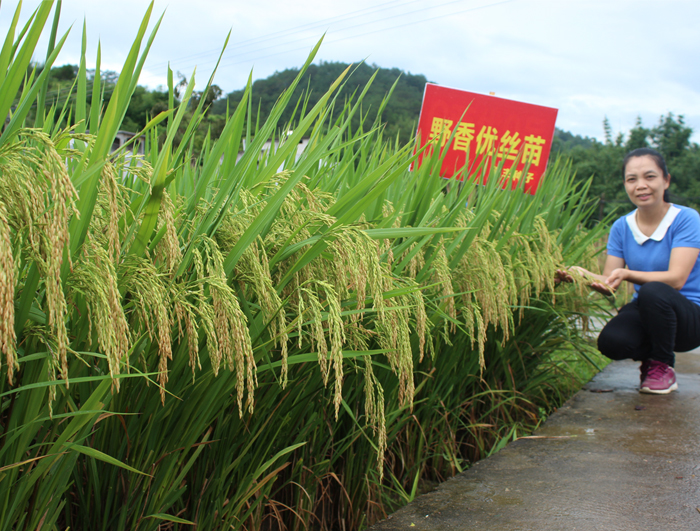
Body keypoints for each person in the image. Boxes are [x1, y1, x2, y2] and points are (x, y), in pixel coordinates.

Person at [558, 147, 700, 394]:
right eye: (632, 179)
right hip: (648, 309)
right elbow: (610, 280)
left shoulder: (686, 219)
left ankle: (662, 364)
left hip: (690, 317)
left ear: (666, 180)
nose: (641, 185)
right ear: (625, 184)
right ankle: (654, 356)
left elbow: (676, 280)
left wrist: (627, 274)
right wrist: (580, 275)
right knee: (611, 343)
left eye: (650, 176)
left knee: (654, 290)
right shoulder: (621, 226)